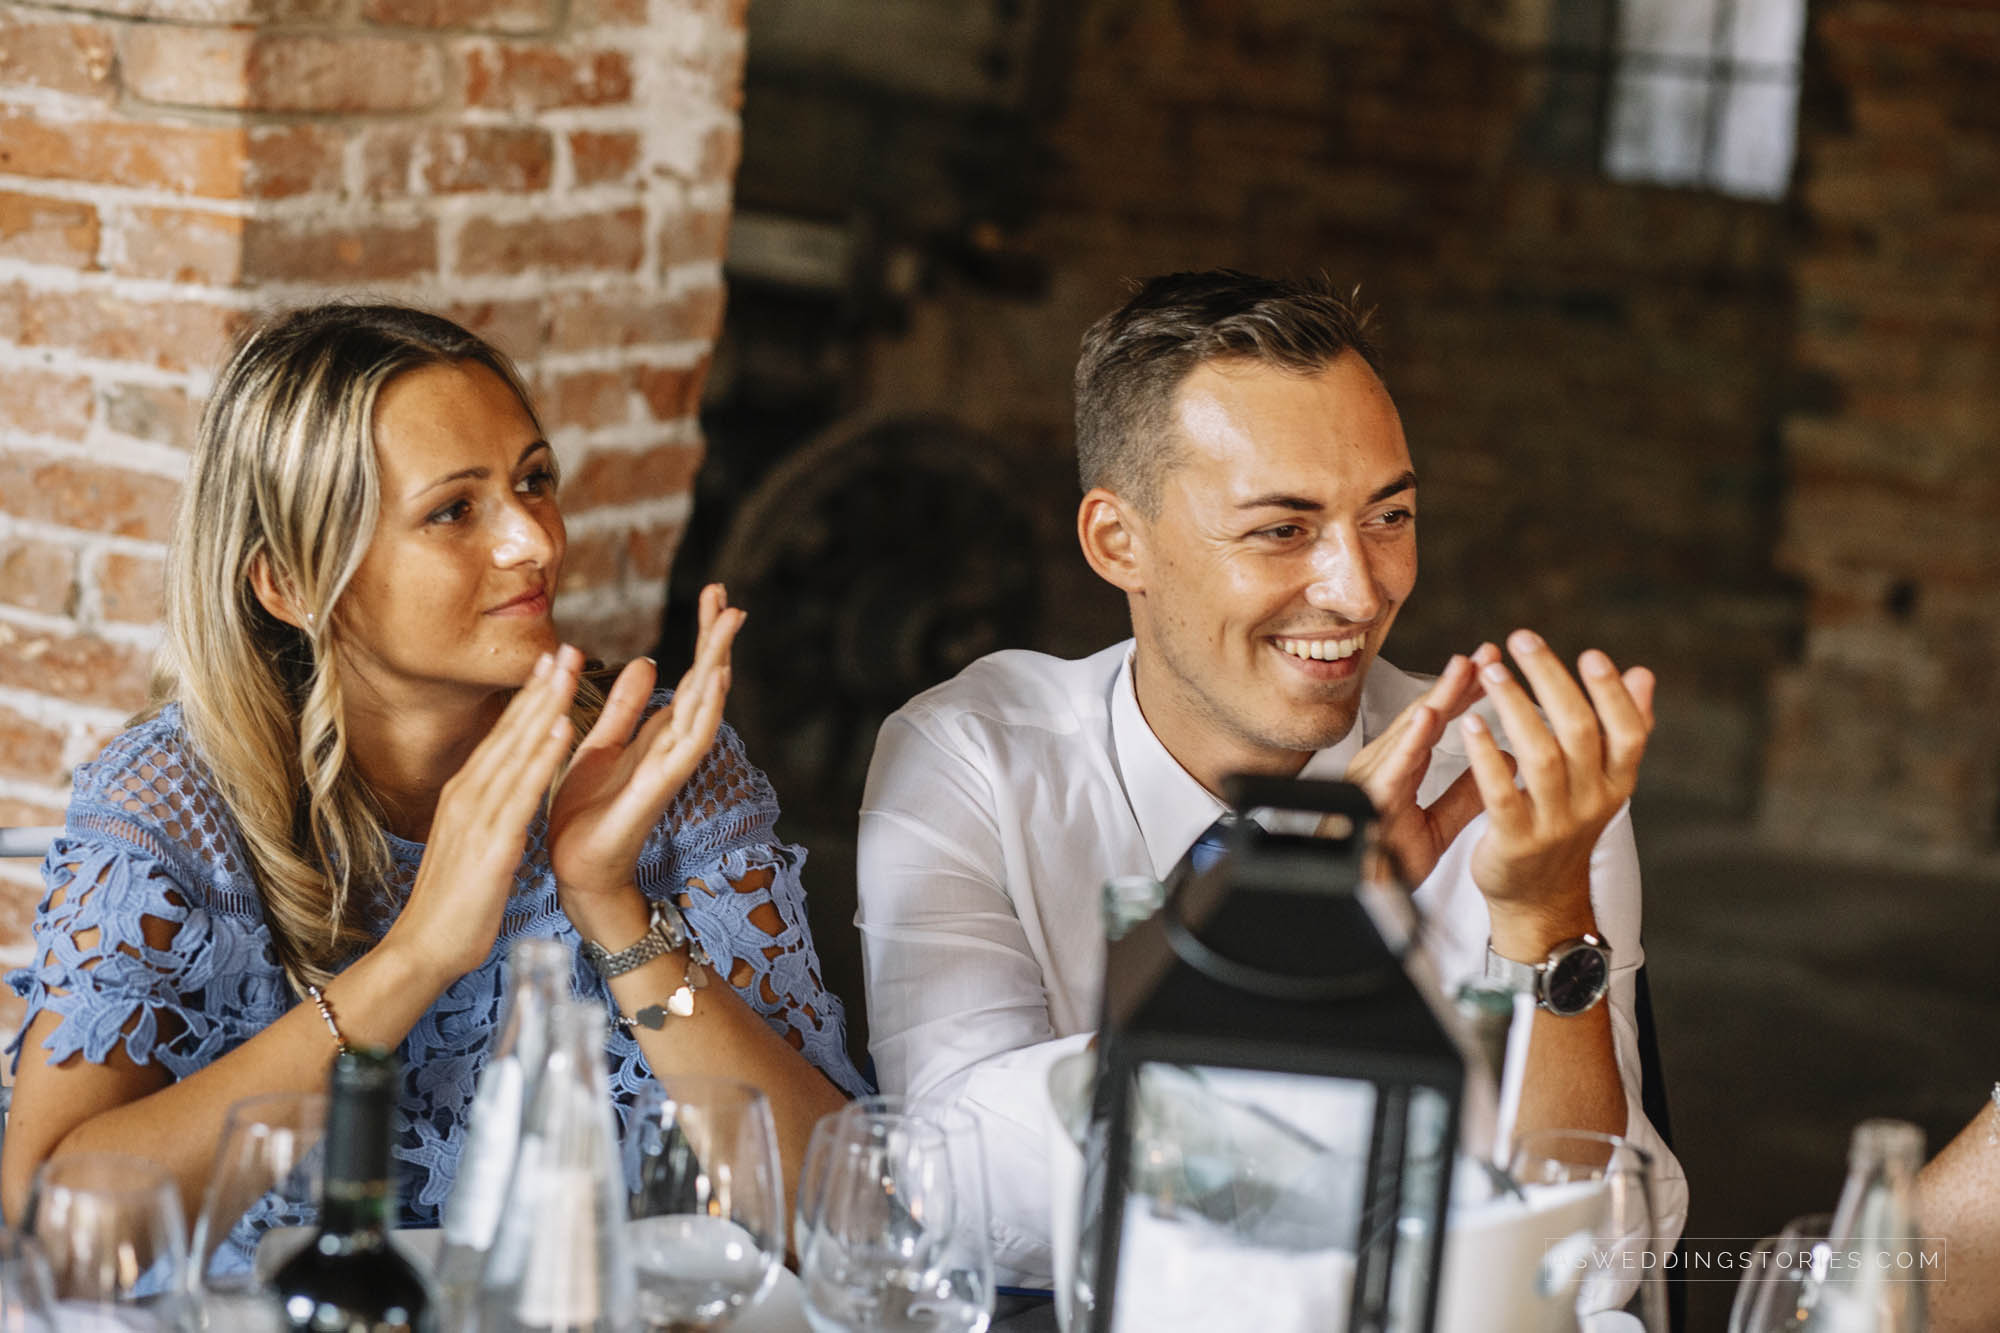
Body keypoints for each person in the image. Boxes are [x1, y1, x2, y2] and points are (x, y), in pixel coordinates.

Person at [857, 269, 1688, 1285]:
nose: (1357, 589)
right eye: (1280, 530)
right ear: (1118, 543)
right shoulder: (973, 758)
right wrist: (1287, 928)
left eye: (1388, 516)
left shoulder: (1515, 781)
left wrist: (1549, 921)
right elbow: (954, 1193)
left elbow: (1593, 1263)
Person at [1, 304, 866, 1264]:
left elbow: (836, 1221)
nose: (533, 542)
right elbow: (56, 1233)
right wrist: (414, 958)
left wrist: (614, 911)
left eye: (534, 482)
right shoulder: (175, 802)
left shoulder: (657, 776)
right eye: (454, 509)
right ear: (289, 582)